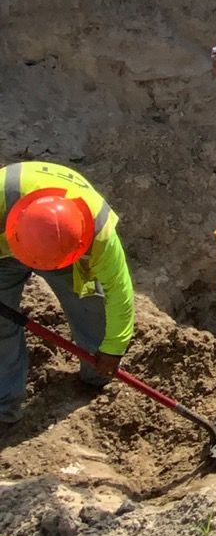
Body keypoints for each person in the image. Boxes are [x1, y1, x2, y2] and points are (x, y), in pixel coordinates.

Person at [0, 161, 135, 422]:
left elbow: (119, 293)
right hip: (4, 252)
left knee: (91, 307)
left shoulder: (98, 234)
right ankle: (5, 406)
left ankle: (96, 377)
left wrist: (114, 348)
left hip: (64, 255)